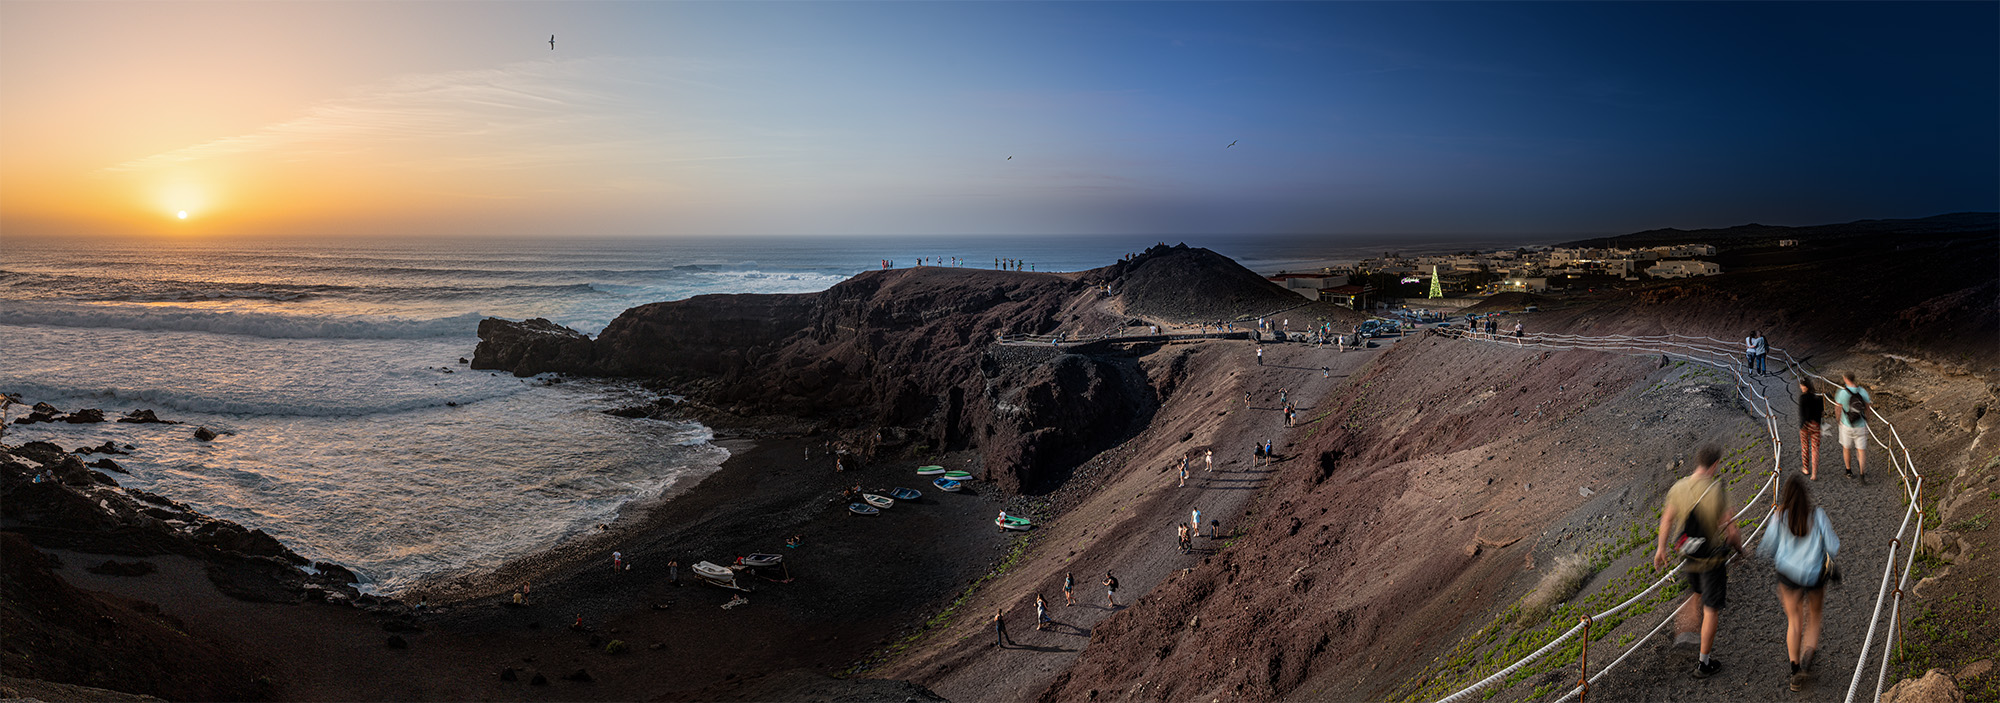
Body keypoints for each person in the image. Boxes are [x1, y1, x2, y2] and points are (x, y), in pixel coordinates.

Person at [1653, 444, 1743, 678]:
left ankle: (1684, 630)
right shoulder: (1717, 490)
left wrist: (1661, 549)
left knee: (1696, 592)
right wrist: (1739, 549)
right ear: (1714, 465)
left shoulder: (1678, 487)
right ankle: (1704, 663)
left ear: (1698, 462)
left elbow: (1666, 520)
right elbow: (1731, 531)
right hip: (1711, 560)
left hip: (1688, 554)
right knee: (1711, 609)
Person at [1758, 474, 1840, 691]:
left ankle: (1795, 671)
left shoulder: (1779, 516)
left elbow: (1766, 547)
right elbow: (1833, 546)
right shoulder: (1817, 515)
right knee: (1814, 617)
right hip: (1814, 576)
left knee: (1794, 622)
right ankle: (1807, 658)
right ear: (1806, 495)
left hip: (1787, 576)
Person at [1834, 373, 1873, 483]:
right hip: (1861, 425)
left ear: (1845, 379)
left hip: (1847, 425)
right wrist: (1867, 421)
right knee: (1861, 450)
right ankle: (1862, 473)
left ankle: (1849, 471)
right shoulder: (1862, 391)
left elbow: (1838, 408)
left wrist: (1838, 421)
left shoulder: (1841, 392)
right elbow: (1867, 409)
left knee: (1846, 448)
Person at [1798, 380, 1824, 481]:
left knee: (1805, 447)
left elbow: (1802, 414)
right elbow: (1821, 413)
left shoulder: (1802, 398)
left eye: (1801, 386)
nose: (1800, 387)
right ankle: (1814, 474)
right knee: (1815, 449)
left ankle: (1805, 468)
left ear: (1805, 387)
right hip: (1816, 425)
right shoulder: (1818, 398)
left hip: (1805, 426)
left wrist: (1803, 424)